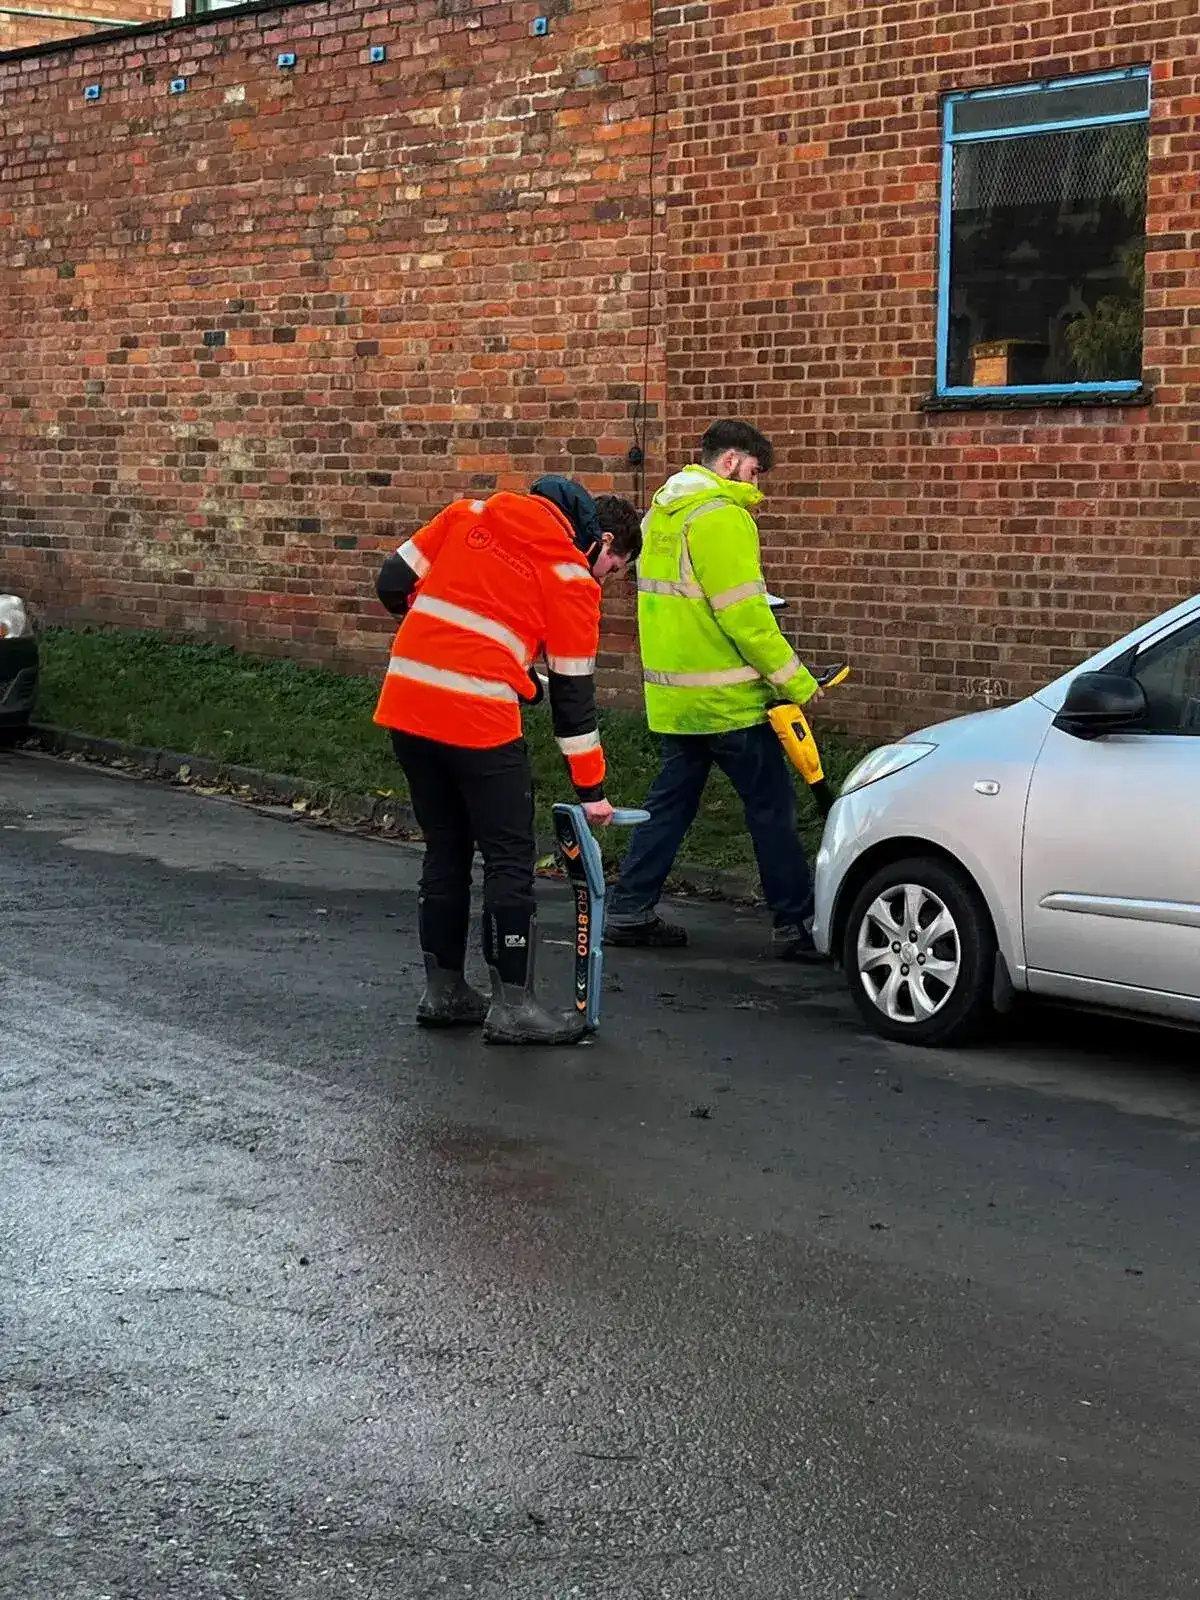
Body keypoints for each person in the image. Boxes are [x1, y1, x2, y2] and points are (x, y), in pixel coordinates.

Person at [373, 476, 642, 1045]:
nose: (607, 578)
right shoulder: (569, 577)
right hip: (477, 722)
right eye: (613, 567)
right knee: (509, 856)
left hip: (407, 702)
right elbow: (574, 703)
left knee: (445, 847)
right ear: (591, 538)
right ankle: (513, 1006)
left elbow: (392, 583)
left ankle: (443, 991)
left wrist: (459, 649)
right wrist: (592, 792)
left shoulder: (465, 513)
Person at [606, 419, 826, 962]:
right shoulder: (722, 517)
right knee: (772, 807)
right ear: (730, 462)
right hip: (729, 701)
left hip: (675, 697)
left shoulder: (660, 513)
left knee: (670, 805)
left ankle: (630, 907)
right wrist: (796, 681)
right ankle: (795, 923)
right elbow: (745, 616)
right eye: (754, 472)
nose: (758, 487)